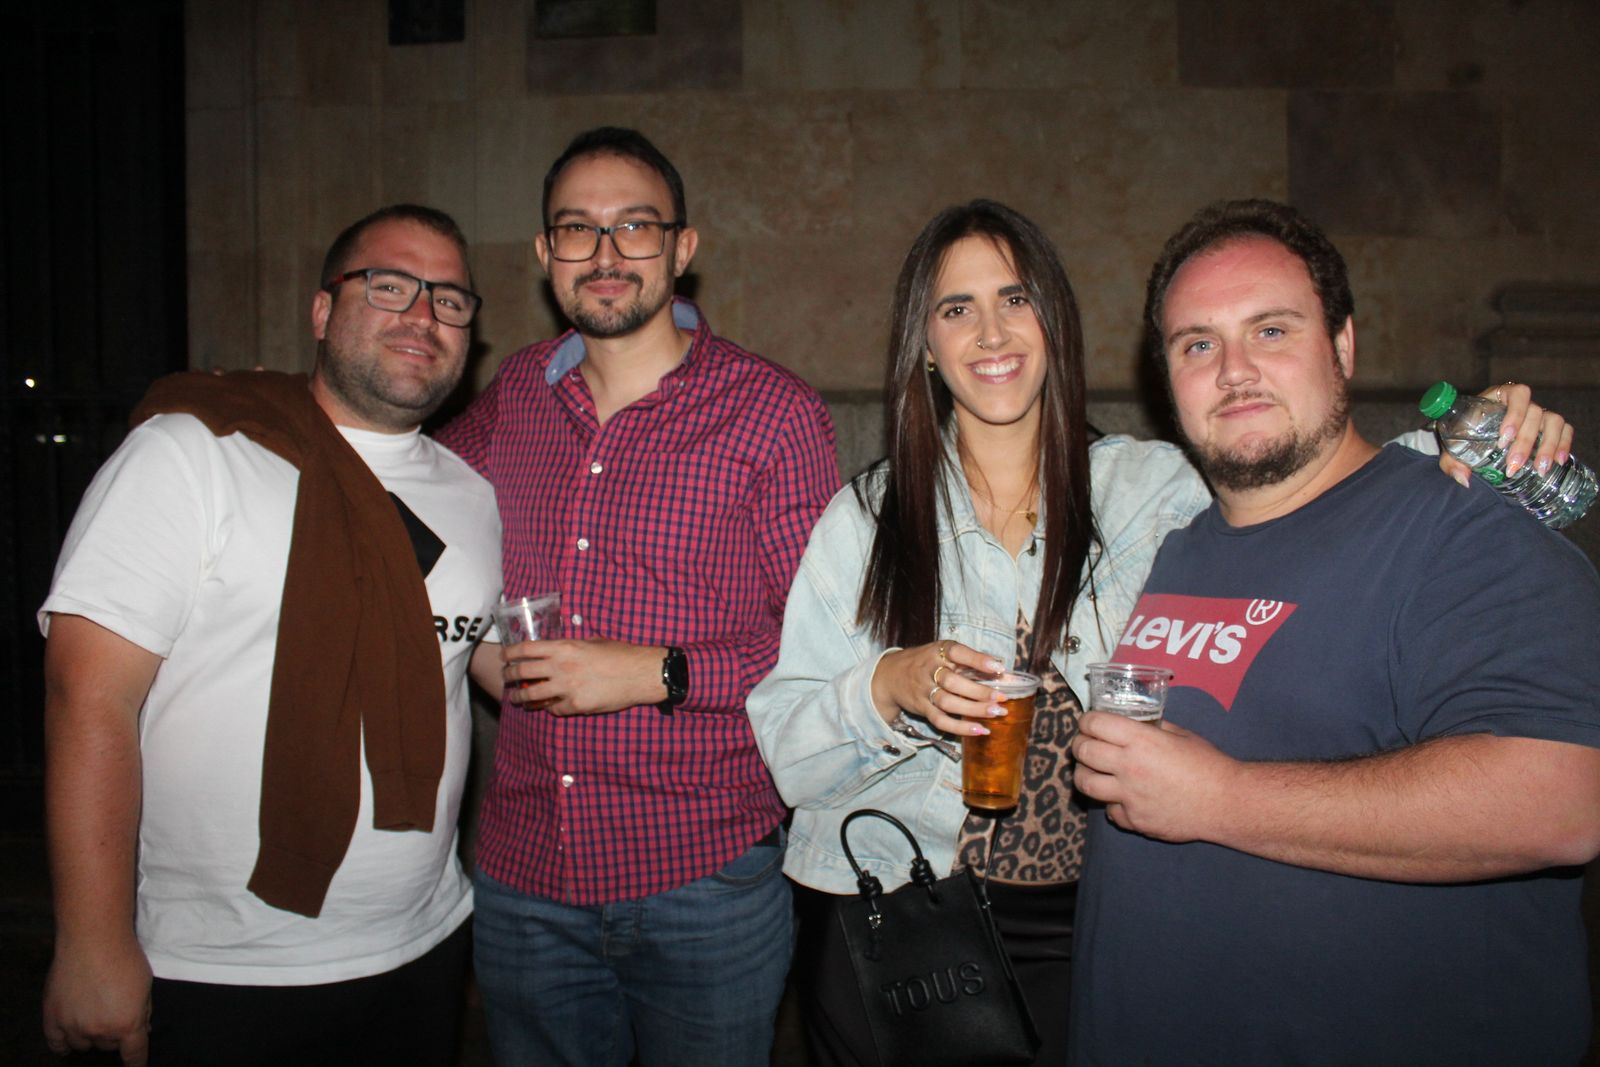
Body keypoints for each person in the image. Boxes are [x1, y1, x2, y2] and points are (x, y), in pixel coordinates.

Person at [744, 199, 1572, 1066]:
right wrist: (888, 688)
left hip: (1101, 930)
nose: (991, 331)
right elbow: (787, 755)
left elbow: (1306, 474)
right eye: (956, 309)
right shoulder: (867, 518)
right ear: (925, 343)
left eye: (1016, 298)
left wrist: (1481, 438)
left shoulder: (1151, 486)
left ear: (1055, 322)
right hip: (911, 929)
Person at [1068, 198, 1600, 1065]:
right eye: (1198, 344)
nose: (1234, 370)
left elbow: (1563, 798)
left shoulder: (1462, 528)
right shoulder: (1183, 547)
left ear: (1342, 346)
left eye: (1271, 331)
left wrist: (1221, 798)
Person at [38, 204, 504, 1066]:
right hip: (218, 966)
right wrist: (93, 944)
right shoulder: (193, 453)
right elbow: (87, 695)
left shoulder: (472, 494)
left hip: (424, 941)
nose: (421, 314)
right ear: (322, 311)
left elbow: (468, 653)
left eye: (449, 300)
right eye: (389, 285)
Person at [435, 127, 839, 1066]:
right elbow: (410, 510)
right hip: (526, 877)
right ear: (545, 255)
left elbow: (823, 646)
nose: (607, 254)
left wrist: (657, 672)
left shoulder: (771, 411)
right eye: (577, 230)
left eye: (636, 228)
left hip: (704, 879)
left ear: (682, 249)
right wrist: (472, 641)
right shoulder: (516, 399)